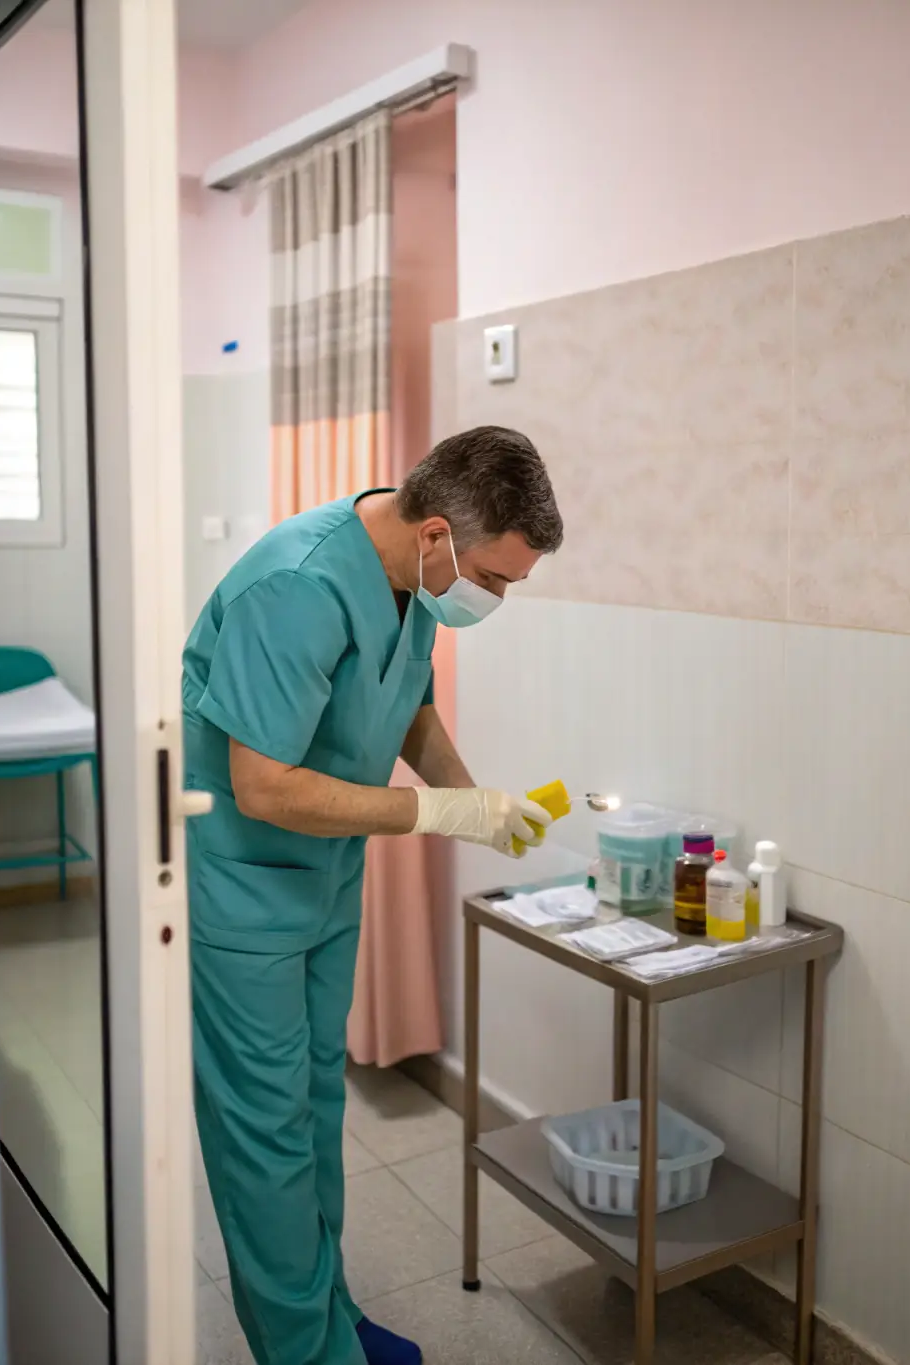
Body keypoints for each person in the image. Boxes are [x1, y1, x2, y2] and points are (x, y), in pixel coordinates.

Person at [182, 425, 564, 1365]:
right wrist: (436, 814)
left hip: (324, 871)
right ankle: (304, 1351)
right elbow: (264, 786)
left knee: (314, 1109)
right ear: (437, 533)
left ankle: (329, 1315)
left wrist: (476, 801)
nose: (498, 597)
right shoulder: (298, 586)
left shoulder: (414, 581)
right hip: (244, 888)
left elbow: (412, 710)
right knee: (264, 1138)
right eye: (497, 577)